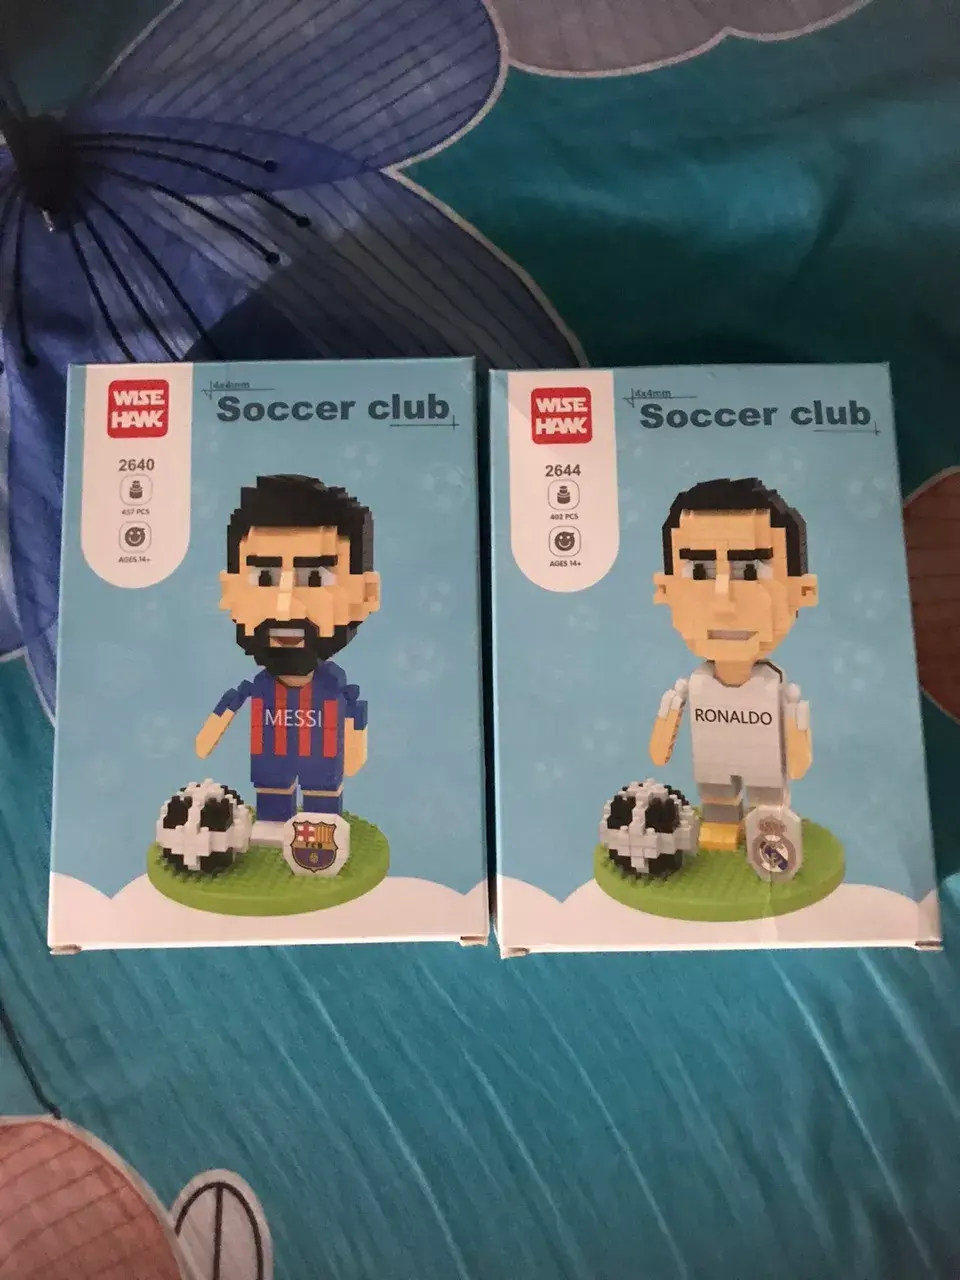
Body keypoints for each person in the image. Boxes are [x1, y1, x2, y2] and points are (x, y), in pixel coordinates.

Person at [196, 474, 380, 825]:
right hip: (270, 766)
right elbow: (228, 707)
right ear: (228, 590)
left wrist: (354, 751)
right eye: (264, 578)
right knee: (272, 806)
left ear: (366, 595)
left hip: (323, 768)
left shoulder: (333, 687)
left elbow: (354, 717)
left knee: (322, 814)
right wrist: (209, 735)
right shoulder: (259, 687)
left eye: (315, 579)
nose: (283, 609)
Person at [649, 477, 818, 851]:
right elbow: (662, 740)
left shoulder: (773, 688)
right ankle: (722, 824)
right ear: (664, 589)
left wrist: (798, 751)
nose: (723, 601)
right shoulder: (695, 685)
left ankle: (769, 830)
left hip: (767, 772)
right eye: (699, 571)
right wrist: (663, 737)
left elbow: (797, 743)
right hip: (713, 769)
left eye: (750, 571)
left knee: (768, 801)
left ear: (803, 590)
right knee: (716, 798)